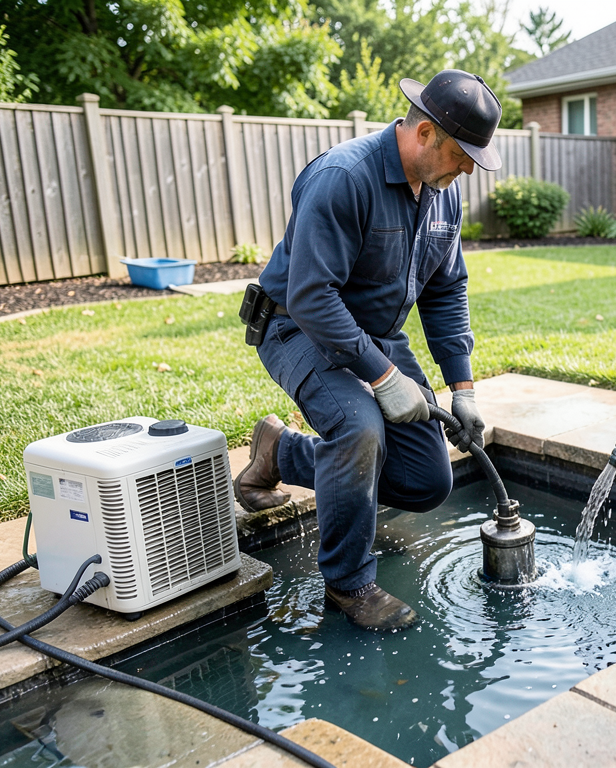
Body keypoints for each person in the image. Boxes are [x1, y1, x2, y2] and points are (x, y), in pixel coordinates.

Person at [233, 70, 502, 631]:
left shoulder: (440, 198)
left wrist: (464, 388)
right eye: (463, 154)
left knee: (427, 480)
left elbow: (446, 288)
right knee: (359, 430)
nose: (469, 169)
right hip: (296, 328)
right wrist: (382, 379)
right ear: (425, 133)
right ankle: (348, 584)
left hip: (374, 334)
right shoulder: (343, 177)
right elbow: (310, 295)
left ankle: (279, 454)